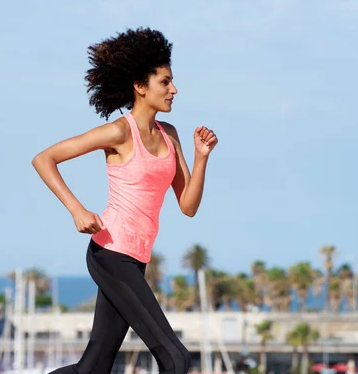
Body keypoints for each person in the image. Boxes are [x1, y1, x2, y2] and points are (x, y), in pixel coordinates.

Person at [31, 27, 218, 374]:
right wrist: (77, 209)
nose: (174, 89)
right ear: (140, 86)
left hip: (136, 259)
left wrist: (201, 156)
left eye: (172, 81)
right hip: (110, 252)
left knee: (94, 367)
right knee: (176, 358)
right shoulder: (119, 132)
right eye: (165, 82)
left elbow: (188, 206)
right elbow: (44, 158)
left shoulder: (170, 135)